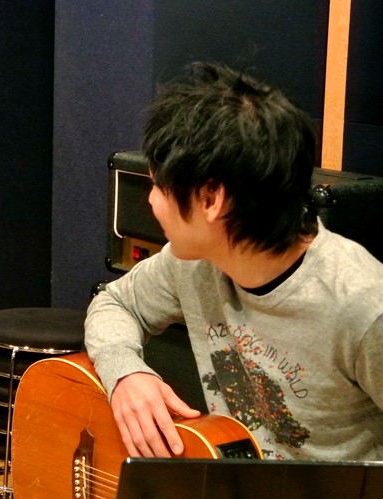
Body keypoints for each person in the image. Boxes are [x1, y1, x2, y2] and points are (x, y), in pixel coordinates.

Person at [85, 62, 383, 462]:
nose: (151, 201)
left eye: (157, 186)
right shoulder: (190, 262)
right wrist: (125, 372)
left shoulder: (364, 307)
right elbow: (116, 302)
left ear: (211, 199)